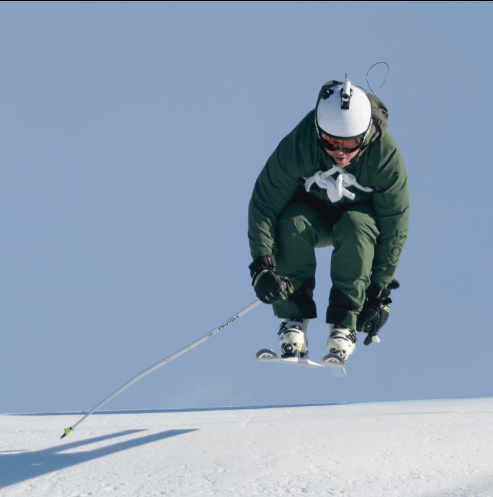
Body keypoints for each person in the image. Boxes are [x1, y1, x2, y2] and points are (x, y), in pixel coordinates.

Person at [248, 75, 410, 367]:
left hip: (359, 218)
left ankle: (343, 326)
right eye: (331, 143)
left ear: (365, 137)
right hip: (312, 214)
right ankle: (293, 320)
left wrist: (380, 290)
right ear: (319, 131)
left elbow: (394, 224)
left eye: (349, 146)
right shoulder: (300, 145)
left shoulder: (385, 157)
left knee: (356, 226)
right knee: (293, 221)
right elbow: (264, 205)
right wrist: (262, 264)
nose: (339, 154)